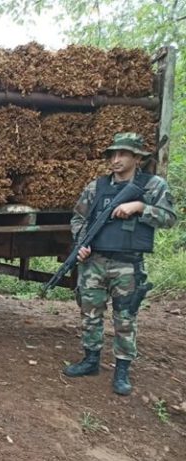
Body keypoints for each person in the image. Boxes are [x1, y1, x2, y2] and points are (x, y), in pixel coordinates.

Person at [63, 132, 177, 395]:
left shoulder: (153, 186)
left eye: (122, 154)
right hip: (95, 261)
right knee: (90, 313)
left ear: (137, 157)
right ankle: (91, 360)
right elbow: (78, 219)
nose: (115, 160)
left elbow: (169, 218)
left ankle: (122, 369)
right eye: (112, 155)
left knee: (125, 317)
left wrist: (140, 207)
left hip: (128, 263)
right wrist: (81, 246)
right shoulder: (97, 187)